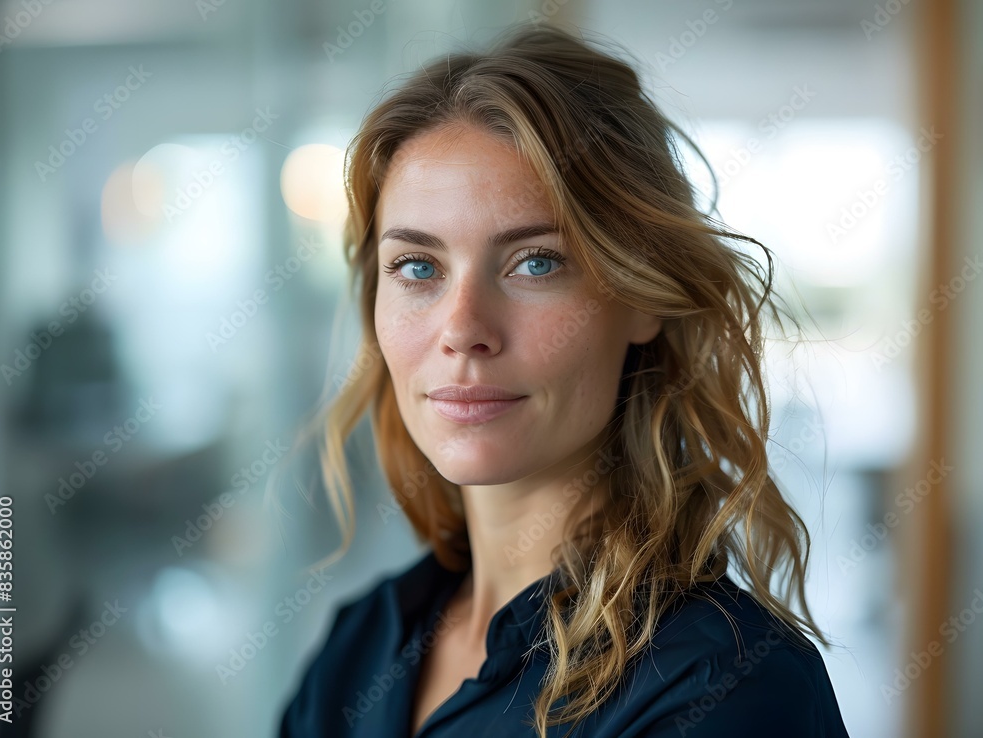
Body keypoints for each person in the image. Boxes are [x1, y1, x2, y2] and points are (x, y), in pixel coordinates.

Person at [276, 21, 852, 738]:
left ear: (641, 294)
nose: (462, 329)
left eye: (535, 262)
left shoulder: (725, 686)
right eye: (418, 268)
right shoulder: (363, 643)